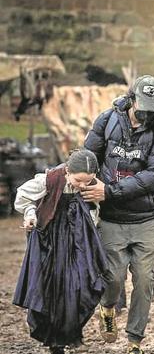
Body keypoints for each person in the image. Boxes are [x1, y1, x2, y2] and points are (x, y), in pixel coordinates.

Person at [82, 74, 154, 354]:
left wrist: (109, 191)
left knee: (145, 279)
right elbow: (89, 156)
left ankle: (135, 339)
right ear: (131, 98)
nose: (147, 113)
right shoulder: (107, 119)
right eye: (142, 105)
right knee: (112, 277)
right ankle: (107, 308)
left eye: (152, 106)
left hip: (148, 216)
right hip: (112, 218)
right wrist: (82, 187)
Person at [13, 149, 108, 354]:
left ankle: (73, 332)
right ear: (67, 171)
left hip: (80, 240)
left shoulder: (92, 183)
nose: (83, 185)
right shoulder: (49, 180)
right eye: (78, 180)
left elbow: (95, 208)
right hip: (51, 241)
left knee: (83, 284)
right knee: (53, 288)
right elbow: (23, 196)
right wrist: (30, 215)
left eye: (88, 181)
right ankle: (56, 341)